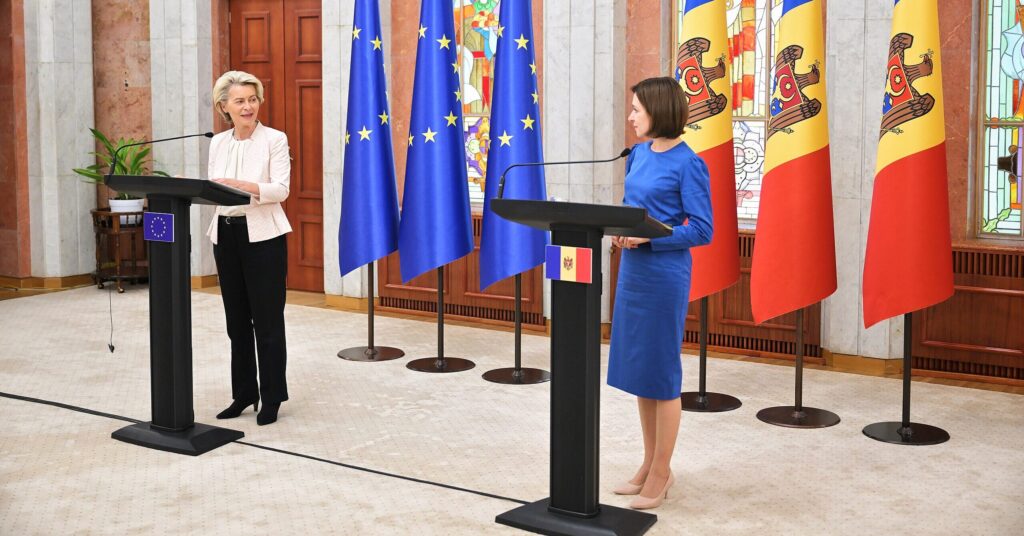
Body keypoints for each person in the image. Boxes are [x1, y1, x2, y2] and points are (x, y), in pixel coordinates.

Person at [608, 76, 714, 509]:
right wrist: (619, 230)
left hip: (664, 275)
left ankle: (662, 471)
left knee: (662, 372)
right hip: (633, 272)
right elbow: (633, 209)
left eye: (636, 109)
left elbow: (702, 229)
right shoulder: (637, 155)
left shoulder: (689, 163)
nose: (631, 117)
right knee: (641, 371)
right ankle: (648, 461)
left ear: (658, 111)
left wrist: (651, 238)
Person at [206, 70, 292, 426]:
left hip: (263, 238)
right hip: (226, 237)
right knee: (236, 323)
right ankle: (244, 393)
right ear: (224, 106)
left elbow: (281, 190)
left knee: (267, 322)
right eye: (239, 101)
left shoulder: (274, 139)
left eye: (253, 99)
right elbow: (212, 187)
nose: (248, 107)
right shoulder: (217, 142)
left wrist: (244, 186)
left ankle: (272, 397)